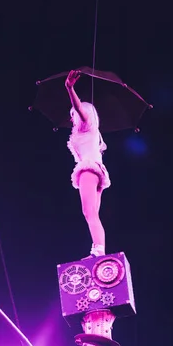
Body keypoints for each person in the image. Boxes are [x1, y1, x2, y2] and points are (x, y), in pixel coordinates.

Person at [65, 70, 110, 258]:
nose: (71, 118)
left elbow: (80, 110)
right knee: (92, 214)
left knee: (88, 212)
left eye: (71, 114)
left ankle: (99, 250)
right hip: (96, 171)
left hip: (89, 170)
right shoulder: (89, 134)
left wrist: (69, 88)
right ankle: (98, 249)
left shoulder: (86, 125)